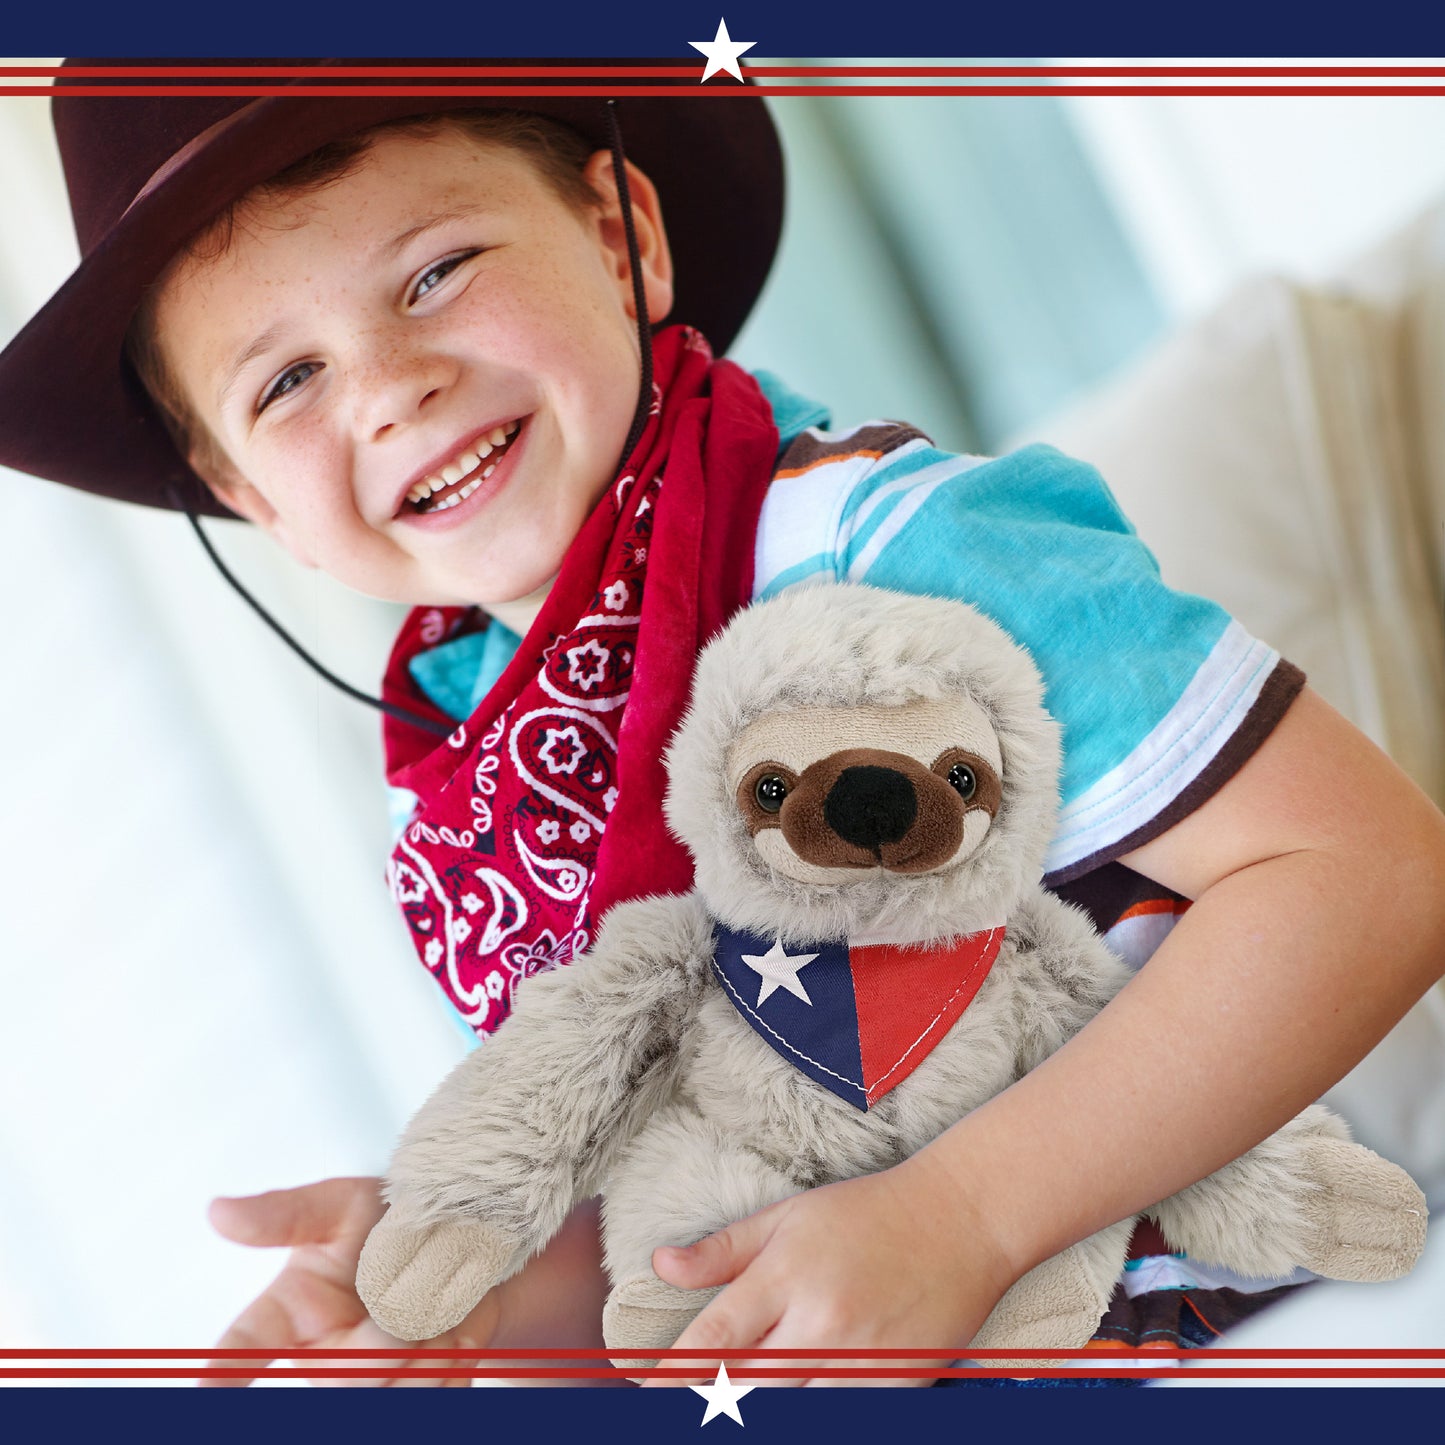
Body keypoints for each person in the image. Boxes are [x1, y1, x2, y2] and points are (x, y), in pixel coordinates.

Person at [1, 57, 1441, 1388]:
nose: (388, 390)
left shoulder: (894, 553)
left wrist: (961, 1213)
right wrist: (480, 1280)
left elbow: (1369, 872)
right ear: (249, 497)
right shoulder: (455, 802)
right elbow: (672, 1223)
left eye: (435, 272)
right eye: (288, 381)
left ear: (621, 236)